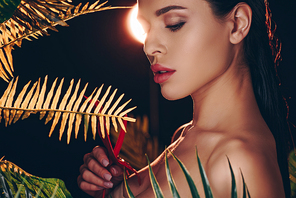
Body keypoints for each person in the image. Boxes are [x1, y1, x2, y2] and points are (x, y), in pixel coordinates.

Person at [77, 0, 291, 197]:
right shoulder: (187, 135)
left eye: (174, 24)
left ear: (237, 24)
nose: (149, 47)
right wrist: (110, 187)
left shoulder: (239, 160)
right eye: (145, 30)